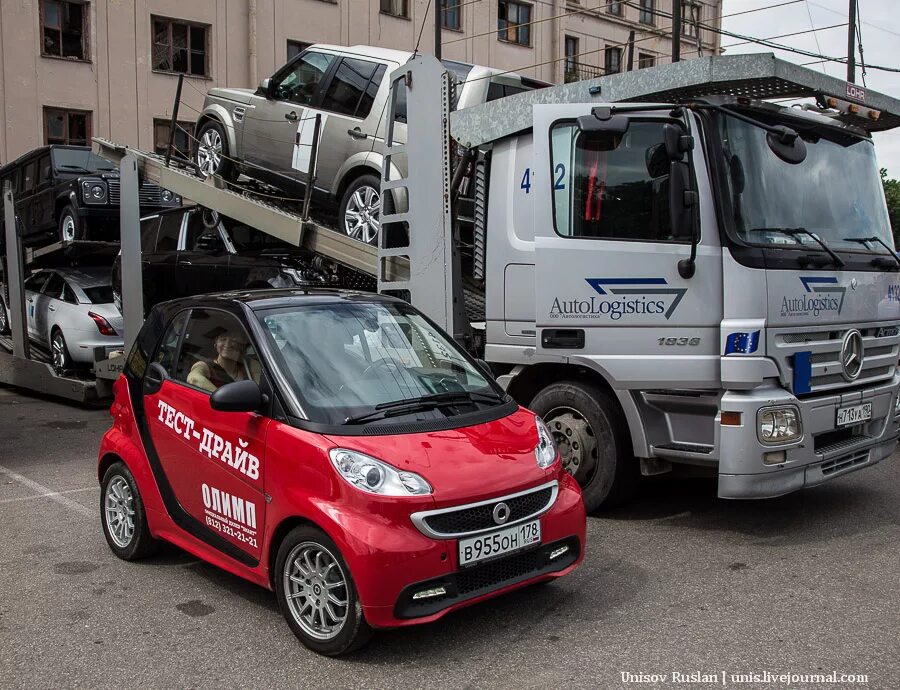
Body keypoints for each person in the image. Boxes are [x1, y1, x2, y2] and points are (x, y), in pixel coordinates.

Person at [188, 329, 257, 392]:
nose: (227, 344)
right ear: (216, 344)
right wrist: (223, 397)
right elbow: (193, 378)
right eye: (223, 339)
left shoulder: (247, 366)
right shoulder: (206, 365)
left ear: (241, 346)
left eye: (234, 340)